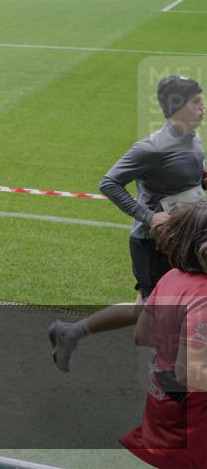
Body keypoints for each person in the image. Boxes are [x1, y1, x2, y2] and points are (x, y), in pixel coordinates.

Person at [49, 76, 205, 372]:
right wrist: (149, 216)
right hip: (153, 245)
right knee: (158, 316)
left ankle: (70, 333)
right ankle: (166, 381)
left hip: (181, 240)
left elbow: (186, 182)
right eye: (196, 101)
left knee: (145, 309)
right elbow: (109, 183)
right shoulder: (151, 148)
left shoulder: (194, 139)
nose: (203, 106)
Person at [120, 200, 207, 469]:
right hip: (193, 420)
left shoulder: (171, 277)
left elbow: (143, 335)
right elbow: (189, 372)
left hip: (162, 403)